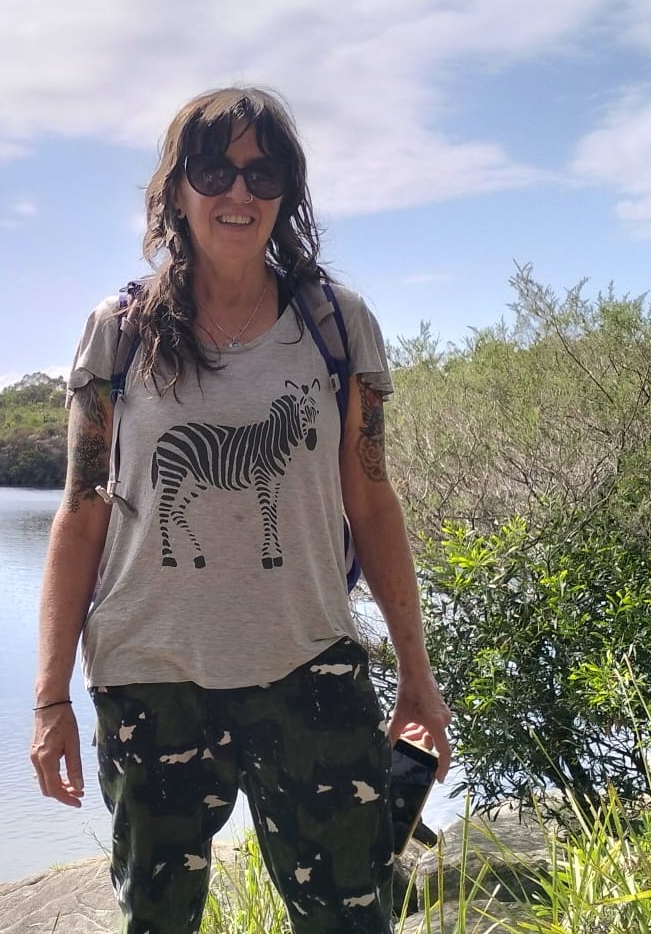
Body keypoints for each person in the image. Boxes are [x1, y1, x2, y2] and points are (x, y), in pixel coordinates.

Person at [30, 86, 452, 934]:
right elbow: (81, 514)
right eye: (214, 169)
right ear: (175, 189)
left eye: (263, 174)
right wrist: (49, 699)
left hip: (310, 673)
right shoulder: (118, 333)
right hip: (149, 679)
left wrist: (417, 672)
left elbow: (370, 502)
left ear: (287, 193)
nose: (238, 193)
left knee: (349, 920)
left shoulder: (336, 325)